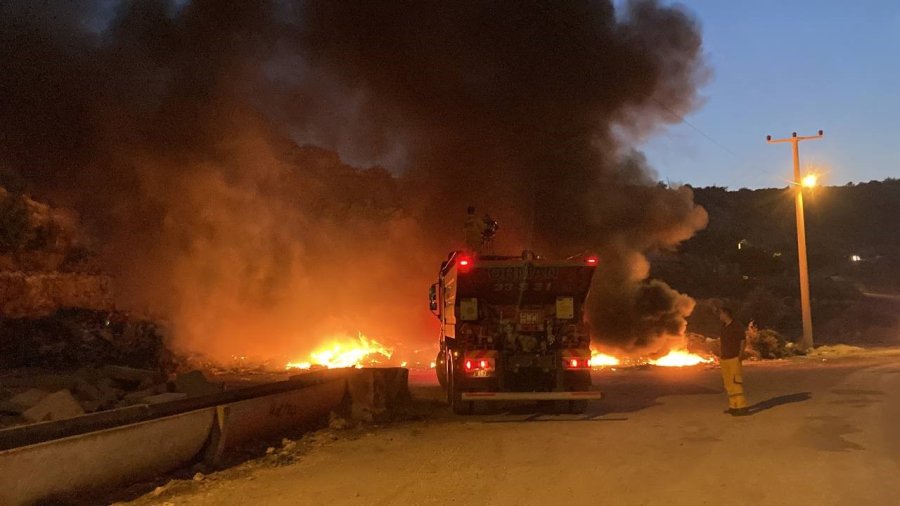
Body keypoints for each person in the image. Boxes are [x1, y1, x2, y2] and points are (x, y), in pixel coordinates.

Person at [717, 307, 749, 416]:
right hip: (724, 358)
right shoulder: (723, 327)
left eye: (720, 313)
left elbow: (743, 340)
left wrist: (740, 354)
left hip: (734, 357)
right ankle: (733, 406)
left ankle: (742, 407)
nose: (719, 316)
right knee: (728, 383)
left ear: (726, 314)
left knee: (736, 382)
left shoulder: (736, 325)